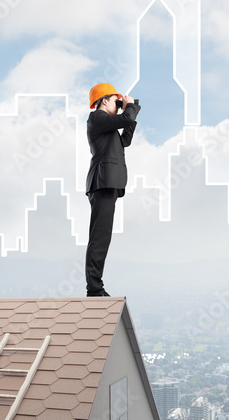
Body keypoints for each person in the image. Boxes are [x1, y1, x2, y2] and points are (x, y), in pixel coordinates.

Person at [84, 82, 140, 297]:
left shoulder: (107, 126)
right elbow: (125, 119)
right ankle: (94, 288)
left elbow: (125, 140)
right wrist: (130, 109)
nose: (118, 106)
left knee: (103, 236)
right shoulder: (97, 118)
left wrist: (131, 112)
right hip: (102, 182)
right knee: (99, 237)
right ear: (104, 100)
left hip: (108, 183)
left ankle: (95, 287)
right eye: (115, 102)